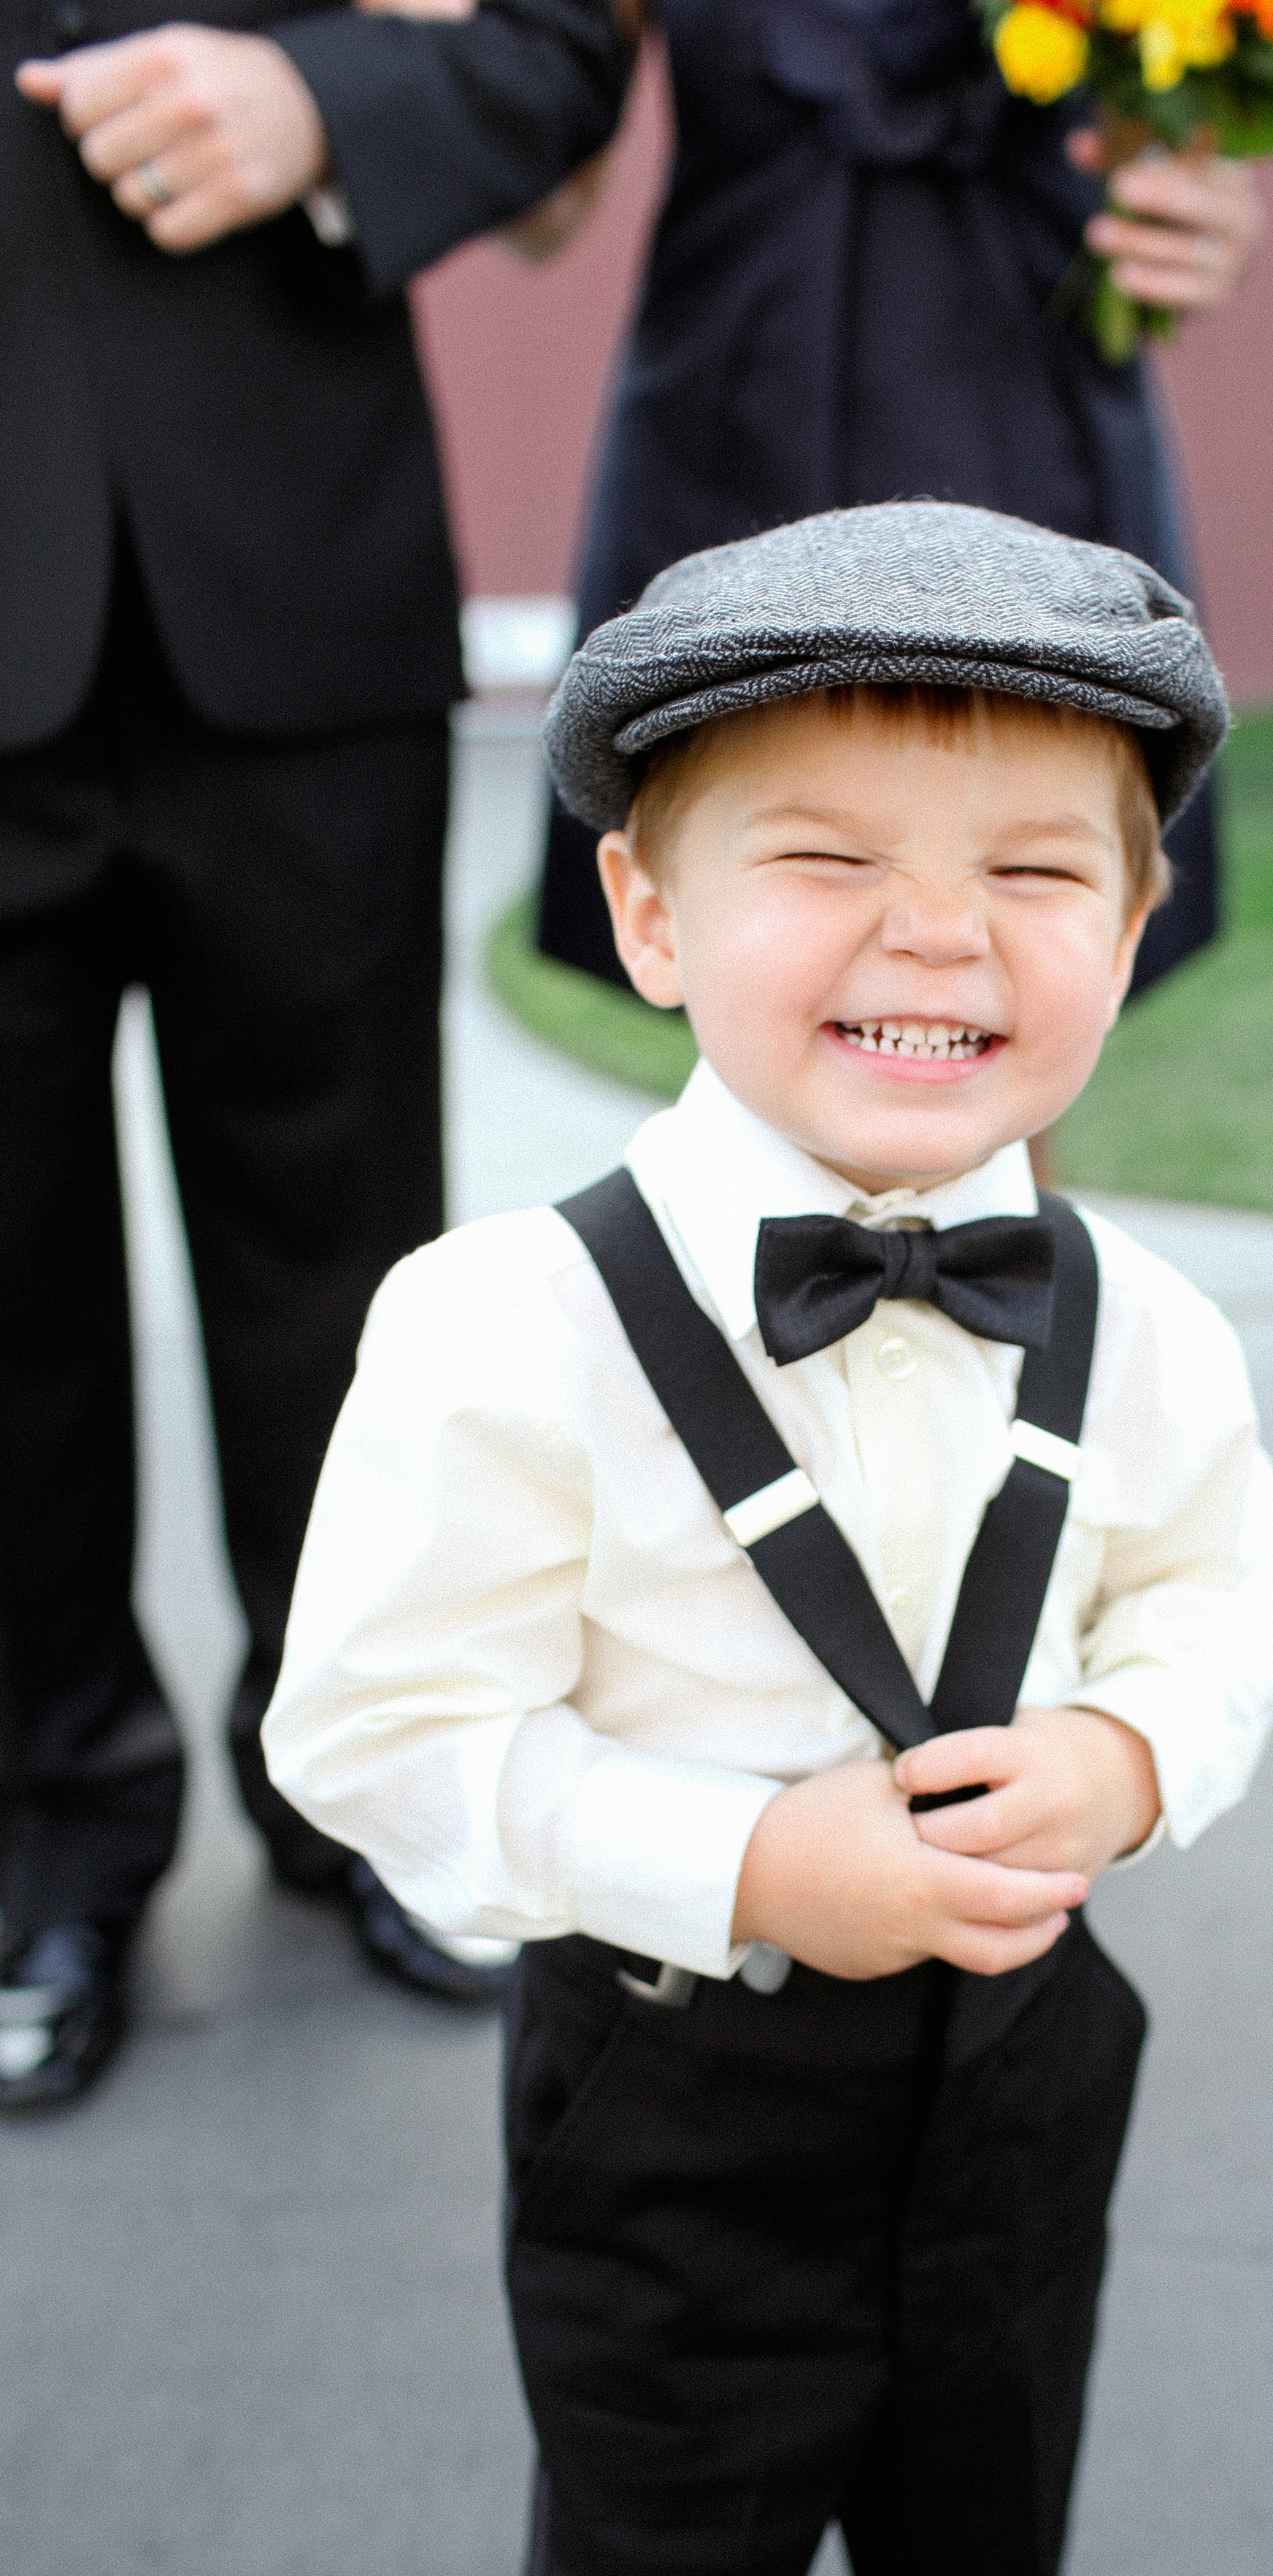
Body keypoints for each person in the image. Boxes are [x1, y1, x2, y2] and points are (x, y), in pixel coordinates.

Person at [264, 500, 1273, 2576]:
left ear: (1136, 924)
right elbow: (379, 1729)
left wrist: (1138, 1759)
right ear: (644, 916)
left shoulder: (1146, 1321)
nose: (938, 933)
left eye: (1038, 870)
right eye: (825, 857)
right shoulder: (496, 1324)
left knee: (993, 2485)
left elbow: (1222, 1600)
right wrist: (741, 1867)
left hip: (1026, 2063)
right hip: (677, 2094)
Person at [0, 0, 628, 2110]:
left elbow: (555, 42)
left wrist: (325, 101)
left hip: (303, 585)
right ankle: (47, 1832)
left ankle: (360, 1788)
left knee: (354, 1279)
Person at [532, 0, 1265, 1007]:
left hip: (1028, 406)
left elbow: (1173, 125)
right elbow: (543, 200)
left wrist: (1198, 193)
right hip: (739, 406)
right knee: (739, 902)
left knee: (1024, 922)